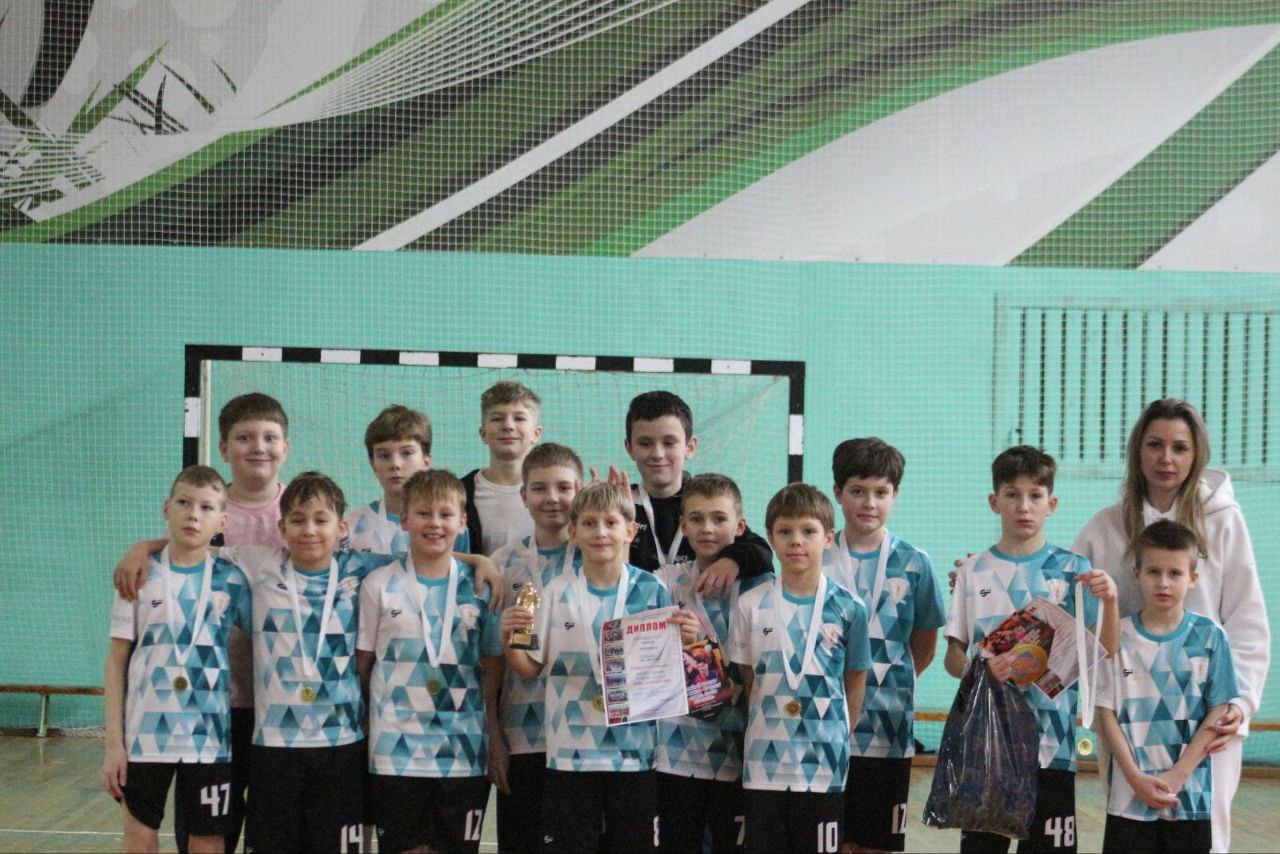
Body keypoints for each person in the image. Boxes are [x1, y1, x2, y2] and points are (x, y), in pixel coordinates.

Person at [1072, 398, 1269, 853]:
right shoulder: (1105, 526)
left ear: (1196, 454)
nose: (1166, 458)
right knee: (1132, 834)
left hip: (1206, 720)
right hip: (1132, 721)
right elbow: (1064, 599)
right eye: (1154, 445)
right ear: (1137, 450)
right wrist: (979, 579)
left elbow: (1247, 618)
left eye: (1180, 447)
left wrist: (1241, 703)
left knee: (1204, 838)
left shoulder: (1224, 521)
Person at [500, 482, 694, 852]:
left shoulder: (651, 590)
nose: (600, 532)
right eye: (589, 523)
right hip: (569, 754)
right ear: (573, 532)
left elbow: (666, 670)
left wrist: (687, 641)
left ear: (630, 531)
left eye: (610, 523)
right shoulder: (553, 591)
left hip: (634, 754)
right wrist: (510, 641)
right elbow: (528, 669)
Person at [944, 446, 1119, 853]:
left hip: (1052, 747)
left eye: (1035, 495)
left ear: (1051, 504)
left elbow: (1104, 651)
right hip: (988, 746)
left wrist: (1110, 602)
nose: (1024, 506)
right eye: (1012, 494)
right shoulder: (972, 571)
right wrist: (981, 669)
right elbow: (952, 658)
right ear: (994, 501)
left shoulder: (1074, 571)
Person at [102, 466, 250, 854]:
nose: (193, 514)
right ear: (166, 508)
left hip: (210, 737)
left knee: (208, 843)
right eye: (184, 503)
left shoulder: (233, 579)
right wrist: (113, 745)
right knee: (140, 843)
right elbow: (116, 661)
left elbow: (263, 644)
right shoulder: (137, 574)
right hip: (144, 737)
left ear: (222, 522)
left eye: (206, 507)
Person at [357, 470, 503, 854]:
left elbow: (491, 668)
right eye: (423, 513)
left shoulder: (481, 586)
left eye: (445, 514)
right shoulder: (378, 584)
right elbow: (364, 664)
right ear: (404, 519)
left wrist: (492, 736)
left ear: (462, 522)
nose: (434, 523)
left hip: (463, 750)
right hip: (395, 751)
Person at [729, 483, 871, 854]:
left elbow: (855, 679)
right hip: (764, 763)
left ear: (828, 537)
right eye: (785, 531)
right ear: (771, 538)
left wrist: (837, 734)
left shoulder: (849, 607)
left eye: (808, 531)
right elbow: (749, 680)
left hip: (824, 765)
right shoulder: (750, 605)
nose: (796, 541)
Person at [821, 439, 945, 854]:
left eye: (880, 492)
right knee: (833, 841)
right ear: (838, 492)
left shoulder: (915, 563)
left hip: (888, 729)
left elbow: (924, 645)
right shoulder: (817, 557)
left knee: (878, 843)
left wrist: (888, 679)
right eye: (857, 491)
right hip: (826, 725)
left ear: (895, 495)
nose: (869, 503)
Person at [1095, 520, 1238, 854]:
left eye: (1175, 573)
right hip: (1128, 799)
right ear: (1137, 574)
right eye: (1153, 572)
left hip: (1189, 799)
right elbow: (1106, 712)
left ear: (1193, 578)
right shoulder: (1117, 636)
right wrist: (1134, 778)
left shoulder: (1210, 637)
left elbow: (1218, 710)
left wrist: (1177, 776)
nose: (1163, 582)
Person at [654, 473, 771, 853]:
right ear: (682, 525)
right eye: (697, 518)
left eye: (719, 518)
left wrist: (703, 648)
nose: (707, 528)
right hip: (674, 754)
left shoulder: (763, 589)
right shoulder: (661, 584)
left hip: (738, 751)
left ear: (740, 526)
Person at [487, 443, 585, 854]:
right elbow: (491, 664)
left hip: (584, 738)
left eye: (564, 487)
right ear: (523, 495)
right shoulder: (502, 563)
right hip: (522, 737)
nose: (553, 498)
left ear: (580, 491)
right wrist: (494, 739)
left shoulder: (597, 558)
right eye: (540, 488)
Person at [615, 390, 773, 592]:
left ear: (689, 447)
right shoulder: (621, 505)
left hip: (697, 610)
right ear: (629, 448)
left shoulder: (704, 502)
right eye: (645, 443)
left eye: (669, 443)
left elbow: (761, 552)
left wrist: (732, 561)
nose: (657, 454)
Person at [346, 404, 471, 554]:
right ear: (373, 465)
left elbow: (459, 566)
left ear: (426, 460)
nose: (395, 464)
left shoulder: (450, 525)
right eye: (384, 456)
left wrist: (479, 560)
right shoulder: (351, 525)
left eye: (406, 453)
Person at [461, 381, 541, 555]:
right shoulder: (458, 492)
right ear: (483, 434)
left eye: (519, 418)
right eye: (497, 418)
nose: (508, 426)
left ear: (536, 433)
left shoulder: (558, 495)